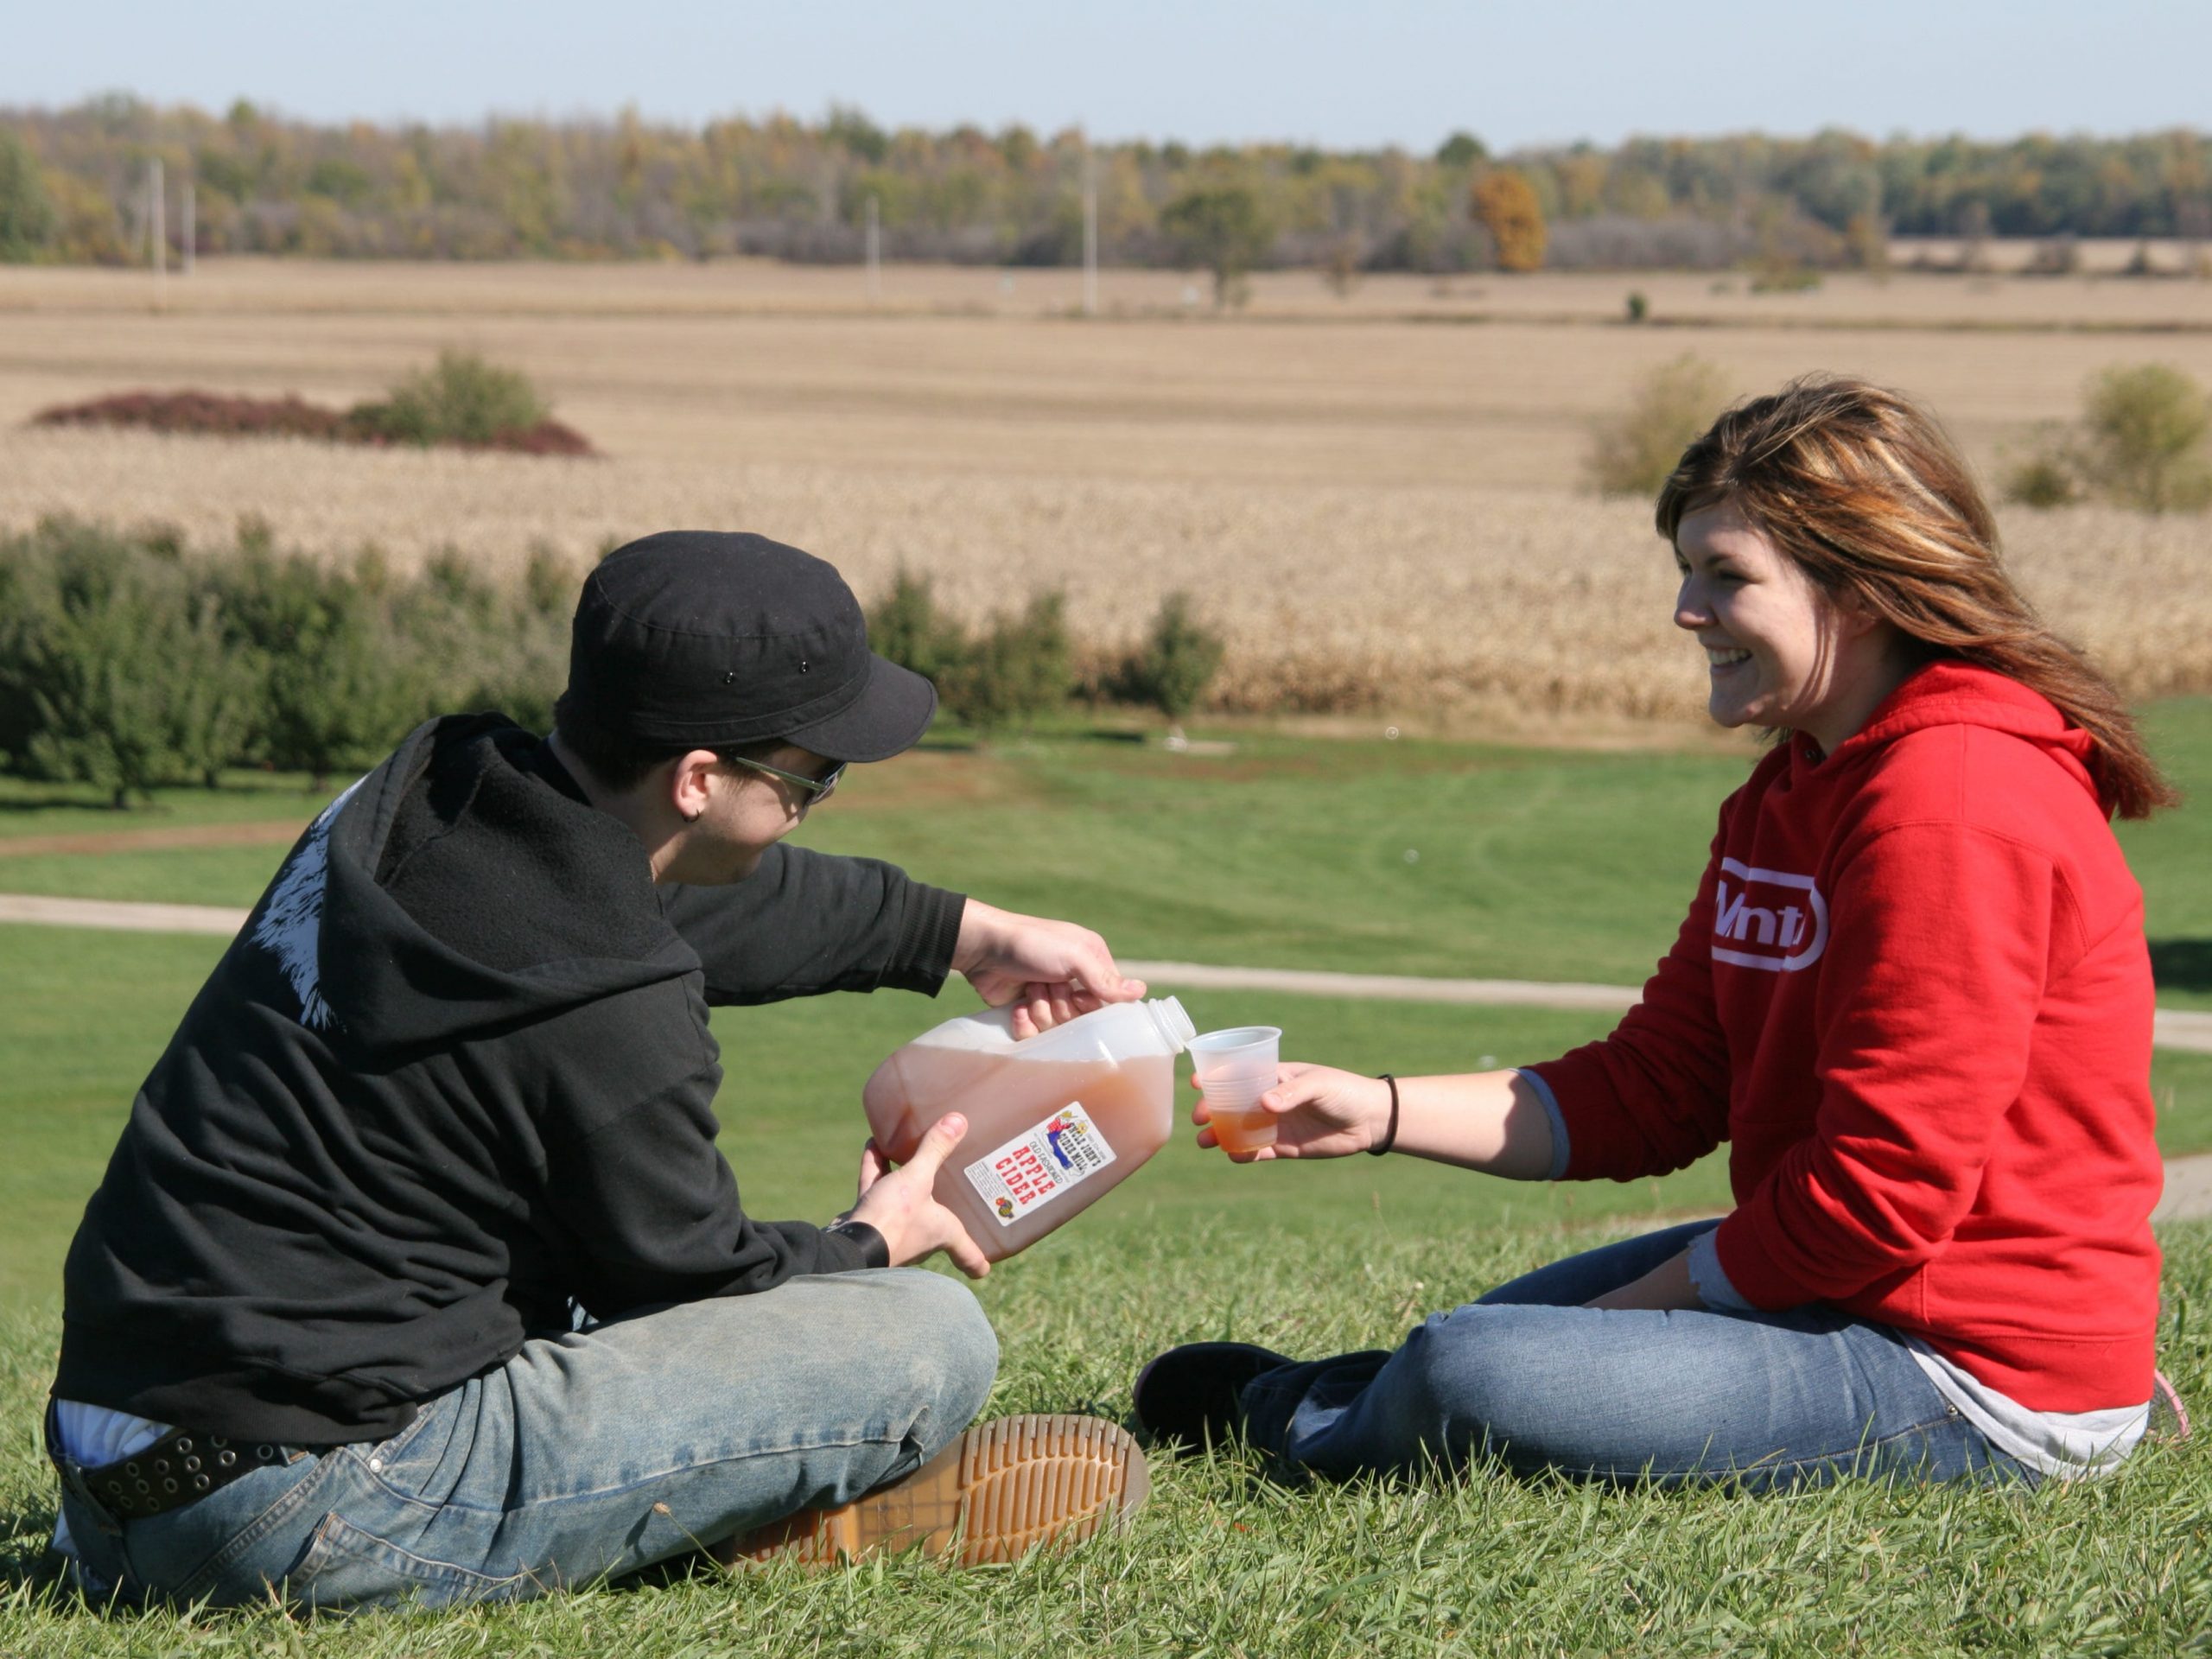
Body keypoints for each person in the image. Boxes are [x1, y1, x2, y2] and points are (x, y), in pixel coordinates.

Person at [45, 531, 1149, 1611]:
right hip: (313, 1503)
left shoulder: (435, 792)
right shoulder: (607, 1002)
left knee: (561, 1257)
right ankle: (749, 1520)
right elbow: (693, 1285)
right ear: (699, 779)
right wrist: (875, 1237)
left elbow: (692, 898)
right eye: (813, 779)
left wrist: (966, 933)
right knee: (927, 1338)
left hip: (113, 1463)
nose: (816, 799)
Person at [1135, 377, 2180, 1491]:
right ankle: (1333, 1399)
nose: (1686, 609)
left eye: (1726, 576)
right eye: (1686, 569)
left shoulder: (1952, 806)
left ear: (1862, 591)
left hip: (1968, 1370)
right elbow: (1663, 1084)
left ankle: (1309, 1418)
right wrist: (1379, 1110)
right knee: (1487, 1339)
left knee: (1467, 1368)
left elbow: (1879, 1194)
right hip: (1844, 1293)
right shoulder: (1792, 788)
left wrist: (1630, 1321)